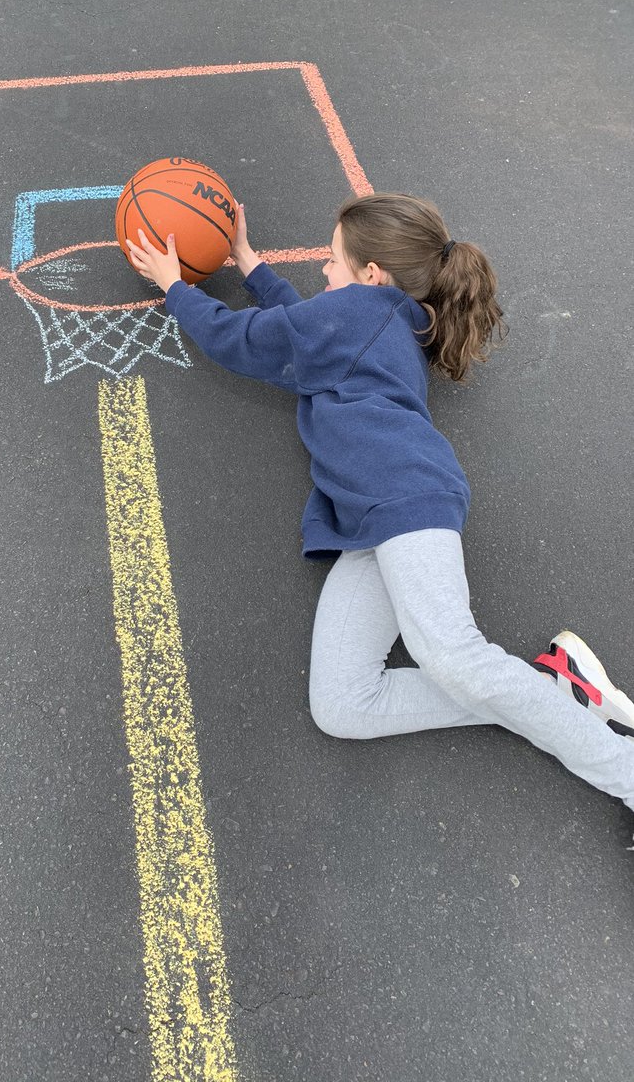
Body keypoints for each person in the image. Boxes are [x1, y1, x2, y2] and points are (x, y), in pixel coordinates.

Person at [125, 192, 634, 846]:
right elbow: (303, 323)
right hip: (370, 520)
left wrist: (175, 286)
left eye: (332, 263)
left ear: (371, 277)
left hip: (403, 498)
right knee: (344, 705)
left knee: (454, 657)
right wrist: (248, 263)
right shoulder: (381, 320)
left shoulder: (355, 315)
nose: (324, 275)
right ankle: (545, 690)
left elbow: (241, 339)